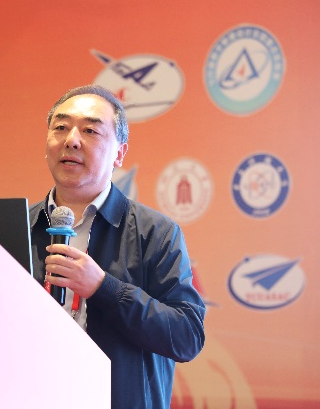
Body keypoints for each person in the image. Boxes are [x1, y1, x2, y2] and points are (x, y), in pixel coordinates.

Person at [29, 84, 206, 409]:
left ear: (120, 153)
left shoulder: (156, 232)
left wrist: (104, 288)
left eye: (90, 130)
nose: (71, 140)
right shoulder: (21, 228)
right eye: (61, 127)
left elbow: (187, 336)